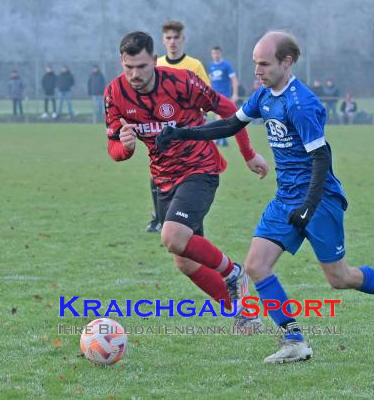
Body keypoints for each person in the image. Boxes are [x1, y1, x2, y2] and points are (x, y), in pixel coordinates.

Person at [157, 30, 374, 363]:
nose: (257, 71)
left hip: (319, 199)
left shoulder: (302, 103)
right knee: (255, 266)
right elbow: (229, 125)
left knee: (339, 278)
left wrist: (309, 206)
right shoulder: (264, 96)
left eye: (264, 64)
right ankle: (293, 340)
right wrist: (182, 133)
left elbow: (321, 158)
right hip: (285, 198)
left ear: (287, 62)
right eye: (254, 63)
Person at [105, 31, 268, 329]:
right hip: (163, 178)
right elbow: (114, 149)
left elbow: (230, 111)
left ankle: (234, 274)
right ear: (121, 62)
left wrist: (248, 154)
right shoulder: (114, 94)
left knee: (172, 236)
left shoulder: (181, 82)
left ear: (154, 61)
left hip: (199, 168)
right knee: (185, 260)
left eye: (141, 66)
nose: (135, 74)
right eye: (129, 67)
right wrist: (125, 148)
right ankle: (244, 312)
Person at [143, 20, 212, 233]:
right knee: (157, 175)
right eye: (168, 38)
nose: (172, 42)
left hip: (189, 135)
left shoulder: (194, 65)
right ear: (163, 41)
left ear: (183, 39)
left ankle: (190, 222)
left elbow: (208, 97)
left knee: (190, 177)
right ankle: (159, 216)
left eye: (176, 37)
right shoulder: (158, 64)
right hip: (163, 134)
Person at [208, 46, 240, 147]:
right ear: (211, 55)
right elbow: (210, 82)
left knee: (220, 117)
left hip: (224, 96)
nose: (215, 55)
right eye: (213, 53)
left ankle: (219, 139)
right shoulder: (211, 66)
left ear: (220, 54)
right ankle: (223, 139)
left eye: (217, 53)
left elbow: (234, 80)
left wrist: (235, 94)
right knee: (221, 118)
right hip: (214, 96)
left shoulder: (226, 65)